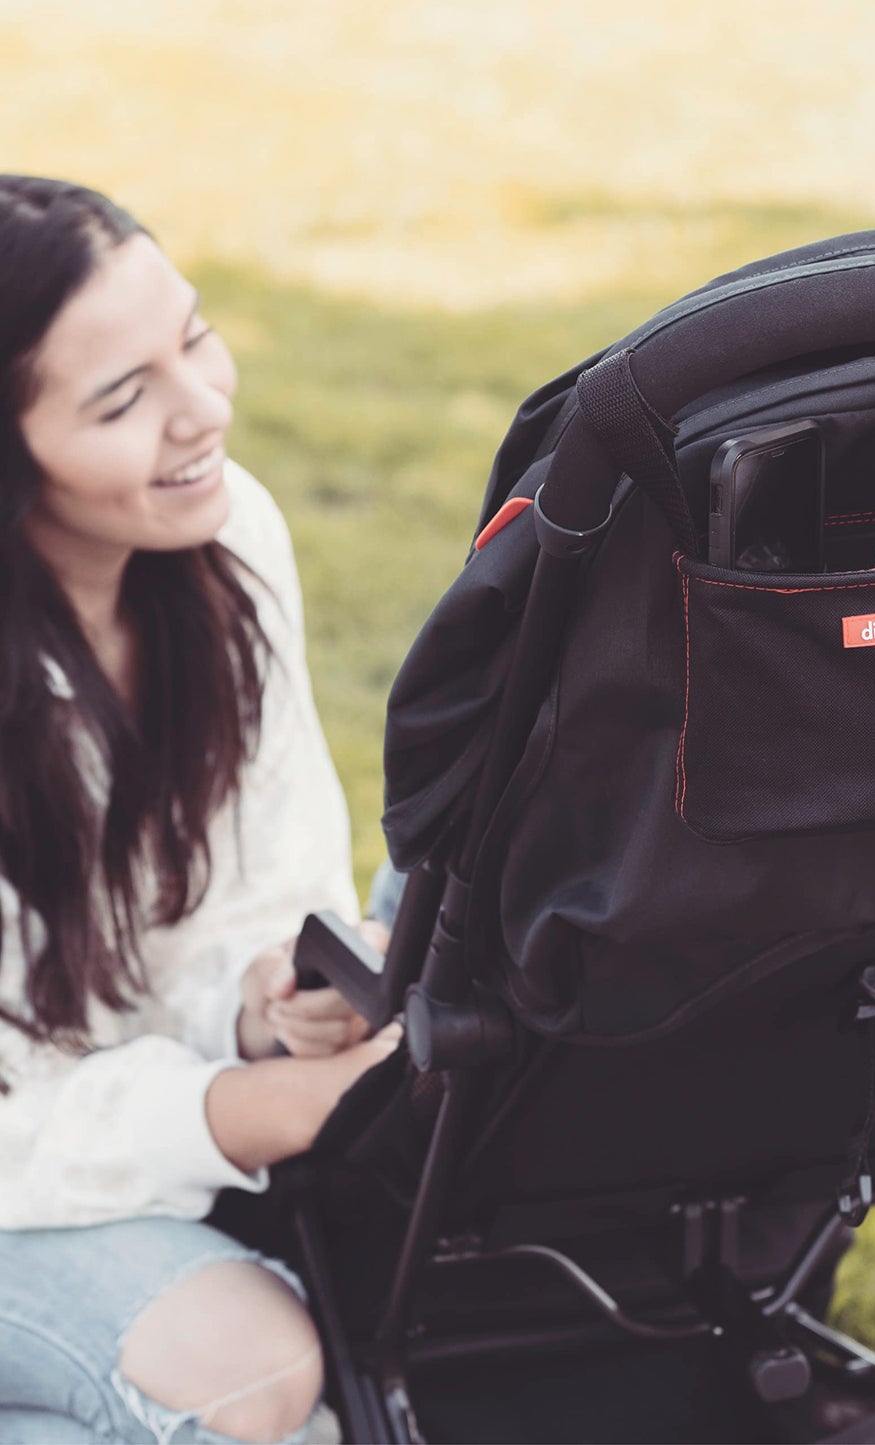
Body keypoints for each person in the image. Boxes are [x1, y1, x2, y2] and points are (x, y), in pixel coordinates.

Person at [0, 176, 402, 1444]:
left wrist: (269, 998)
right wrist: (233, 1112)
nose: (203, 409)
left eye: (195, 335)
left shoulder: (224, 546)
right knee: (246, 1377)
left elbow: (254, 892)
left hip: (108, 1125)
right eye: (123, 400)